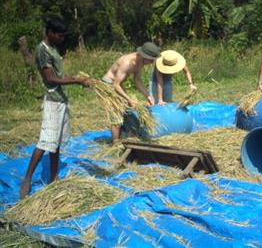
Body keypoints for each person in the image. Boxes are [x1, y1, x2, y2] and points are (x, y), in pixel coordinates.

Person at [19, 18, 90, 199]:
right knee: (45, 141)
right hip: (52, 101)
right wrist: (76, 81)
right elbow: (50, 79)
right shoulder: (42, 50)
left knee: (56, 141)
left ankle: (54, 177)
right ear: (50, 32)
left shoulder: (54, 49)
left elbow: (58, 75)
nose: (62, 39)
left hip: (61, 100)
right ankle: (27, 180)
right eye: (59, 35)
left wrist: (75, 78)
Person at [102, 42, 161, 144]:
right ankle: (116, 144)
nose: (151, 62)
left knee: (128, 110)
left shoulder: (140, 62)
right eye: (151, 60)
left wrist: (148, 96)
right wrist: (129, 99)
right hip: (108, 85)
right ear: (144, 56)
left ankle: (126, 134)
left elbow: (137, 80)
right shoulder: (127, 63)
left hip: (118, 85)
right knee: (116, 113)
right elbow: (116, 84)